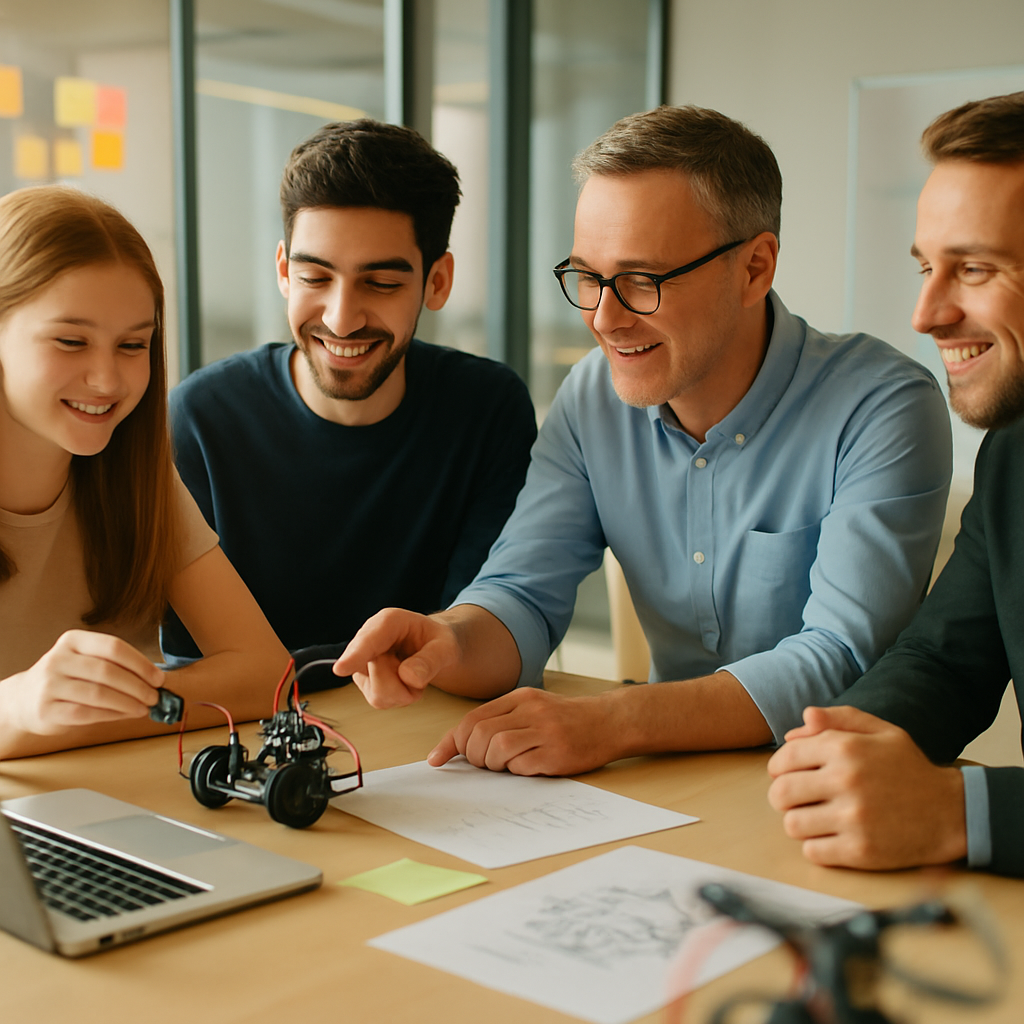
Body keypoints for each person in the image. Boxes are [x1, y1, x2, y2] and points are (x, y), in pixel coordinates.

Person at [334, 105, 953, 775]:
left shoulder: (883, 405)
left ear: (755, 268)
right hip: (667, 782)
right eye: (588, 278)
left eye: (641, 281)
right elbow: (524, 594)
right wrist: (447, 641)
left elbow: (841, 657)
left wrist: (617, 720)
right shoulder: (591, 397)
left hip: (834, 783)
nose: (604, 318)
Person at [161, 120, 536, 683]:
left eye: (380, 284)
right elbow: (194, 666)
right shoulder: (203, 417)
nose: (341, 318)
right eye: (316, 276)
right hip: (256, 734)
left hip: (426, 729)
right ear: (285, 270)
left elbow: (483, 628)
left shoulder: (487, 410)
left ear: (436, 282)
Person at [767, 91, 1024, 878]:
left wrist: (962, 814)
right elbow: (946, 660)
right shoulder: (1013, 457)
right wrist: (840, 745)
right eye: (926, 267)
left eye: (973, 268)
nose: (925, 312)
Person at [0, 186, 289, 759]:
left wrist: (52, 723)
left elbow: (268, 679)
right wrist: (15, 712)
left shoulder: (137, 478)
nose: (107, 380)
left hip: (107, 808)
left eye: (133, 345)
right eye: (71, 341)